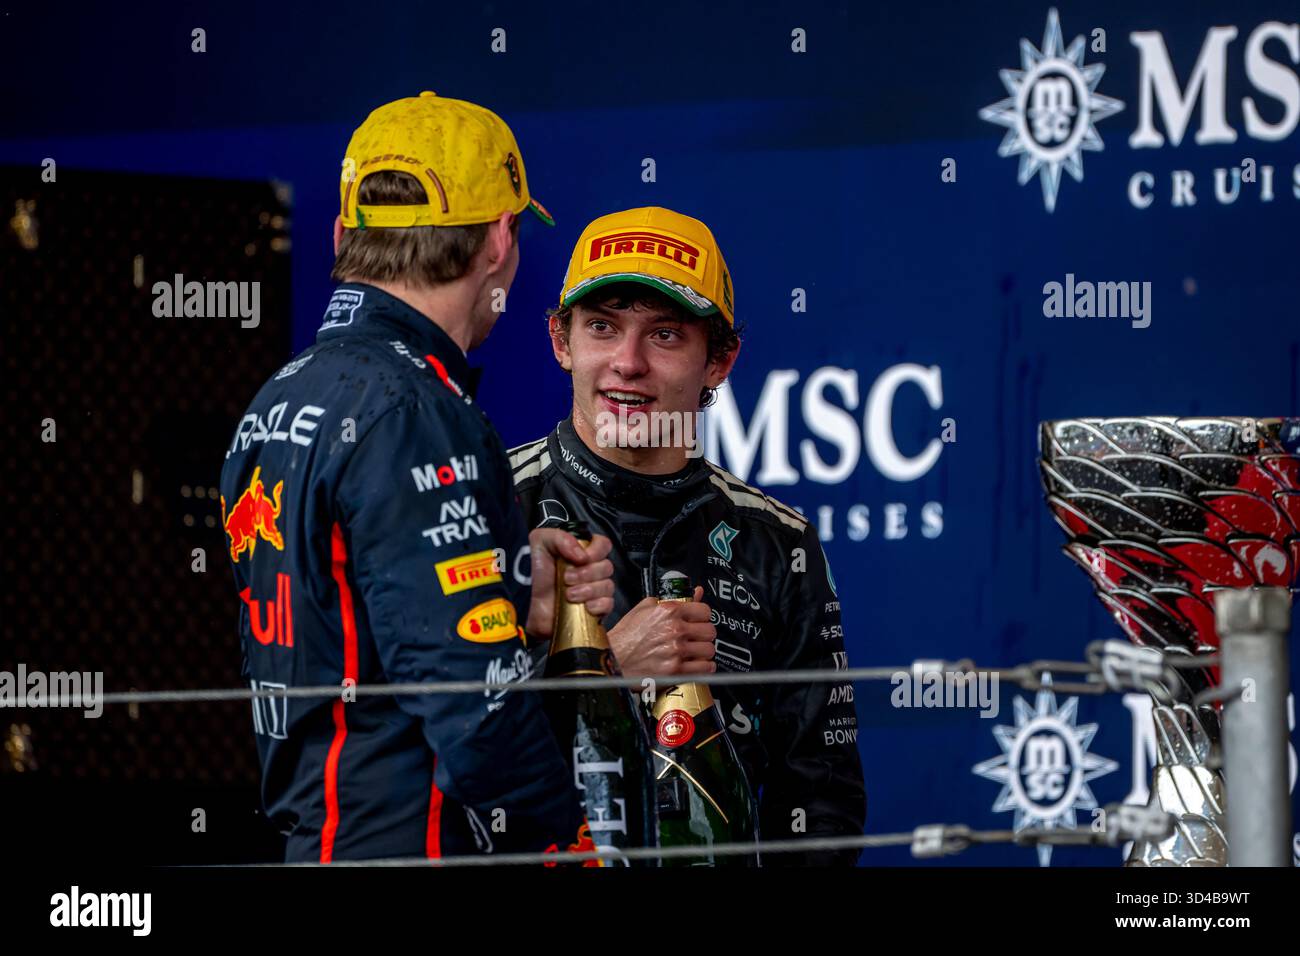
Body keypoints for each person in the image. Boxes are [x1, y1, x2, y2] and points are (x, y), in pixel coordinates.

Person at [219, 92, 615, 863]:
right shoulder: (415, 410)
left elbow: (356, 626)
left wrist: (505, 581)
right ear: (498, 240)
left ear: (342, 235)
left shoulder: (279, 397)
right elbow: (476, 710)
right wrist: (569, 836)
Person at [510, 206, 866, 865]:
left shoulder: (778, 543)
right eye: (602, 327)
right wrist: (604, 670)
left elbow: (822, 798)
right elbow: (431, 747)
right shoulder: (490, 509)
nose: (628, 363)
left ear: (720, 360)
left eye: (665, 334)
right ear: (562, 341)